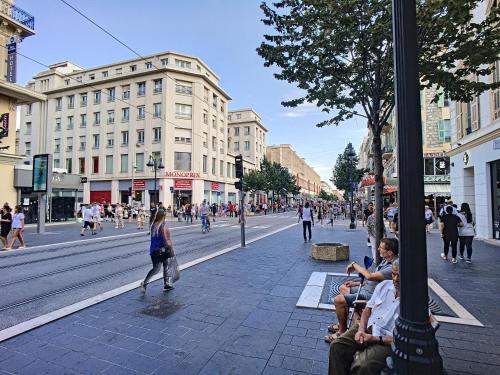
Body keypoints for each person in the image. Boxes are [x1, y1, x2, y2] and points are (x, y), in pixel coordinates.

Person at [328, 259, 401, 375]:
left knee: (363, 364)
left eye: (399, 276)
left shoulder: (414, 299)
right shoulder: (384, 285)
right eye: (393, 274)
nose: (395, 279)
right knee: (337, 346)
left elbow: (408, 338)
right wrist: (361, 329)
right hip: (370, 326)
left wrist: (373, 339)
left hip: (388, 339)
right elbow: (367, 310)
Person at [325, 238, 398, 343]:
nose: (378, 249)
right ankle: (342, 323)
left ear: (390, 252)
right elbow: (375, 281)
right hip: (365, 288)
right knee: (343, 287)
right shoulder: (385, 261)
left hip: (370, 296)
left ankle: (342, 332)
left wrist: (354, 265)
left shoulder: (392, 267)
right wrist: (357, 283)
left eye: (381, 248)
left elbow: (369, 276)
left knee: (338, 300)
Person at [140, 209, 174, 293]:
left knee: (156, 268)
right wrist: (170, 249)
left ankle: (145, 283)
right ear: (163, 216)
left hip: (154, 251)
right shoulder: (163, 226)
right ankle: (166, 284)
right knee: (164, 266)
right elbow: (166, 240)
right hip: (162, 250)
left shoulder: (153, 226)